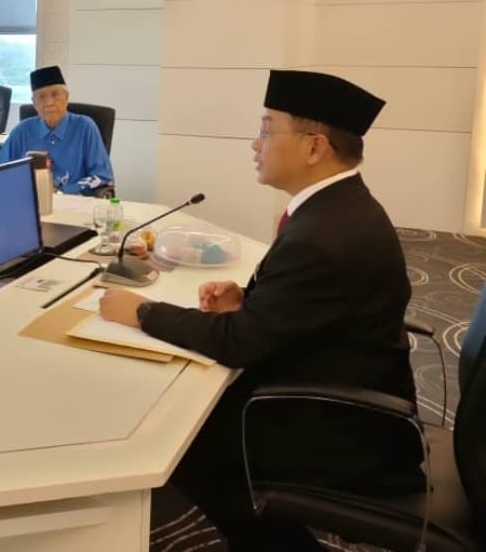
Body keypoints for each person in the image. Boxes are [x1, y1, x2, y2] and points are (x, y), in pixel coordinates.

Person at [99, 70, 423, 552]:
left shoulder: (323, 234)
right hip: (342, 384)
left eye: (267, 130)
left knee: (181, 440)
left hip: (340, 426)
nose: (255, 144)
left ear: (314, 147)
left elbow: (238, 344)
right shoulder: (339, 207)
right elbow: (308, 309)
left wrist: (142, 312)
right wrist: (247, 302)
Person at [0, 65, 113, 195]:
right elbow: (2, 173)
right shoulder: (22, 131)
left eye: (55, 94)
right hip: (31, 201)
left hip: (74, 200)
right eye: (41, 97)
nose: (49, 103)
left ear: (66, 97)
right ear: (34, 103)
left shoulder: (85, 127)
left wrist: (62, 191)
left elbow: (102, 177)